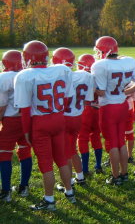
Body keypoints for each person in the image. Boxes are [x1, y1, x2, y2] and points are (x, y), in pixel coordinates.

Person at [14, 40, 75, 210]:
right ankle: (69, 191)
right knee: (61, 158)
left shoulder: (25, 76)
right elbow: (68, 98)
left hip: (40, 122)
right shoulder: (62, 69)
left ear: (27, 57)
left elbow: (25, 110)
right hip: (58, 117)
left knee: (45, 163)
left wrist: (26, 131)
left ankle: (49, 201)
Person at [92, 36, 135, 185]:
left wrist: (91, 85)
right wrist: (124, 93)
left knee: (112, 143)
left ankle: (115, 177)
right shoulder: (128, 61)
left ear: (104, 50)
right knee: (121, 141)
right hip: (122, 106)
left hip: (108, 108)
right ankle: (124, 173)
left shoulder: (100, 65)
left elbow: (101, 93)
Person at [52, 48, 94, 190]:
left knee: (65, 152)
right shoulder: (85, 76)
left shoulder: (58, 76)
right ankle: (80, 176)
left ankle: (68, 182)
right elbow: (88, 101)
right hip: (78, 116)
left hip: (64, 117)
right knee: (72, 149)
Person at [0, 50, 32, 202]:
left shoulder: (5, 77)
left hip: (10, 119)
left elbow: (2, 105)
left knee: (4, 153)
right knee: (25, 152)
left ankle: (6, 191)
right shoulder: (29, 74)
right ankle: (24, 187)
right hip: (27, 119)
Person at [76, 54, 104, 175]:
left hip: (85, 110)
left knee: (82, 139)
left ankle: (85, 168)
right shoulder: (98, 75)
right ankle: (98, 165)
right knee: (96, 137)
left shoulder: (77, 76)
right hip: (98, 110)